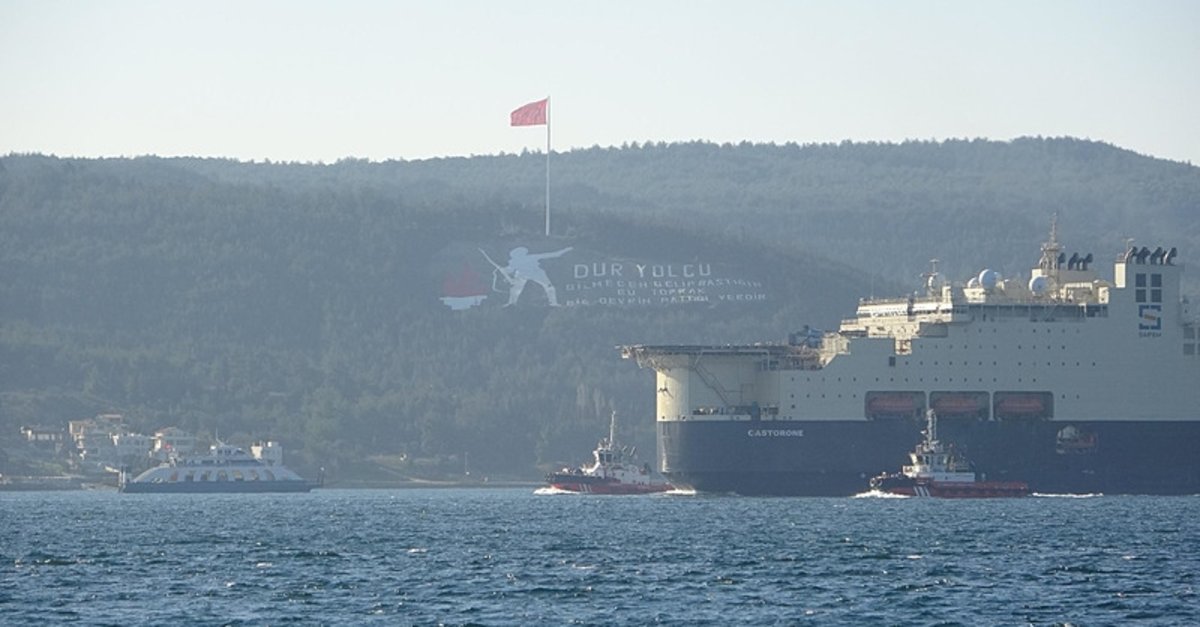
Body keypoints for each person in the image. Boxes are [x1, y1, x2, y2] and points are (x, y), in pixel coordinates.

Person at [493, 246, 573, 306]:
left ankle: (553, 303)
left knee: (549, 287)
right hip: (522, 274)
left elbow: (552, 254)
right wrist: (502, 270)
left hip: (536, 273)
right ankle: (511, 303)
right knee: (515, 289)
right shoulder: (514, 261)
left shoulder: (531, 257)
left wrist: (565, 250)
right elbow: (509, 270)